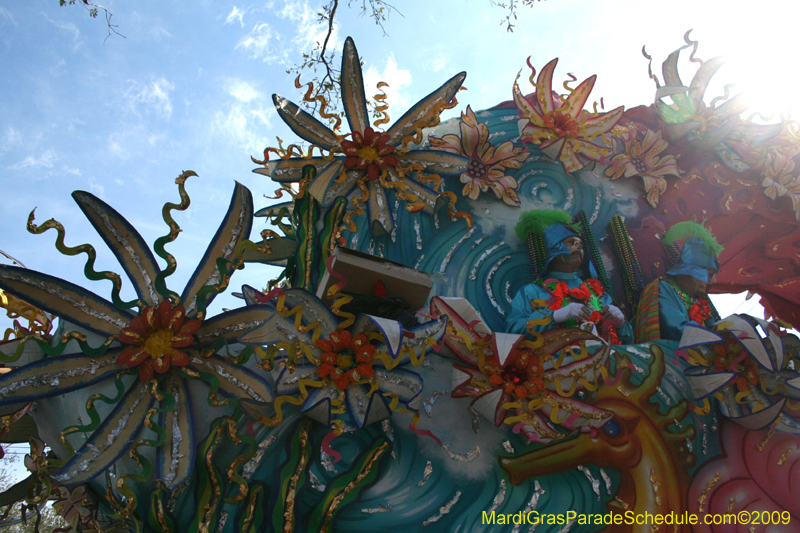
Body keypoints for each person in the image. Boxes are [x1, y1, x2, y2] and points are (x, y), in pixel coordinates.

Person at [506, 210, 633, 344]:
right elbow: (512, 331)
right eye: (571, 242)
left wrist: (621, 324)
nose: (578, 247)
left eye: (581, 245)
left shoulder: (598, 292)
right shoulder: (532, 291)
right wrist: (554, 316)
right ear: (553, 249)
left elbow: (630, 341)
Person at [635, 221, 722, 342]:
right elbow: (676, 331)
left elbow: (714, 330)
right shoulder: (662, 288)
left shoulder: (699, 301)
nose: (713, 281)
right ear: (693, 274)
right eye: (710, 275)